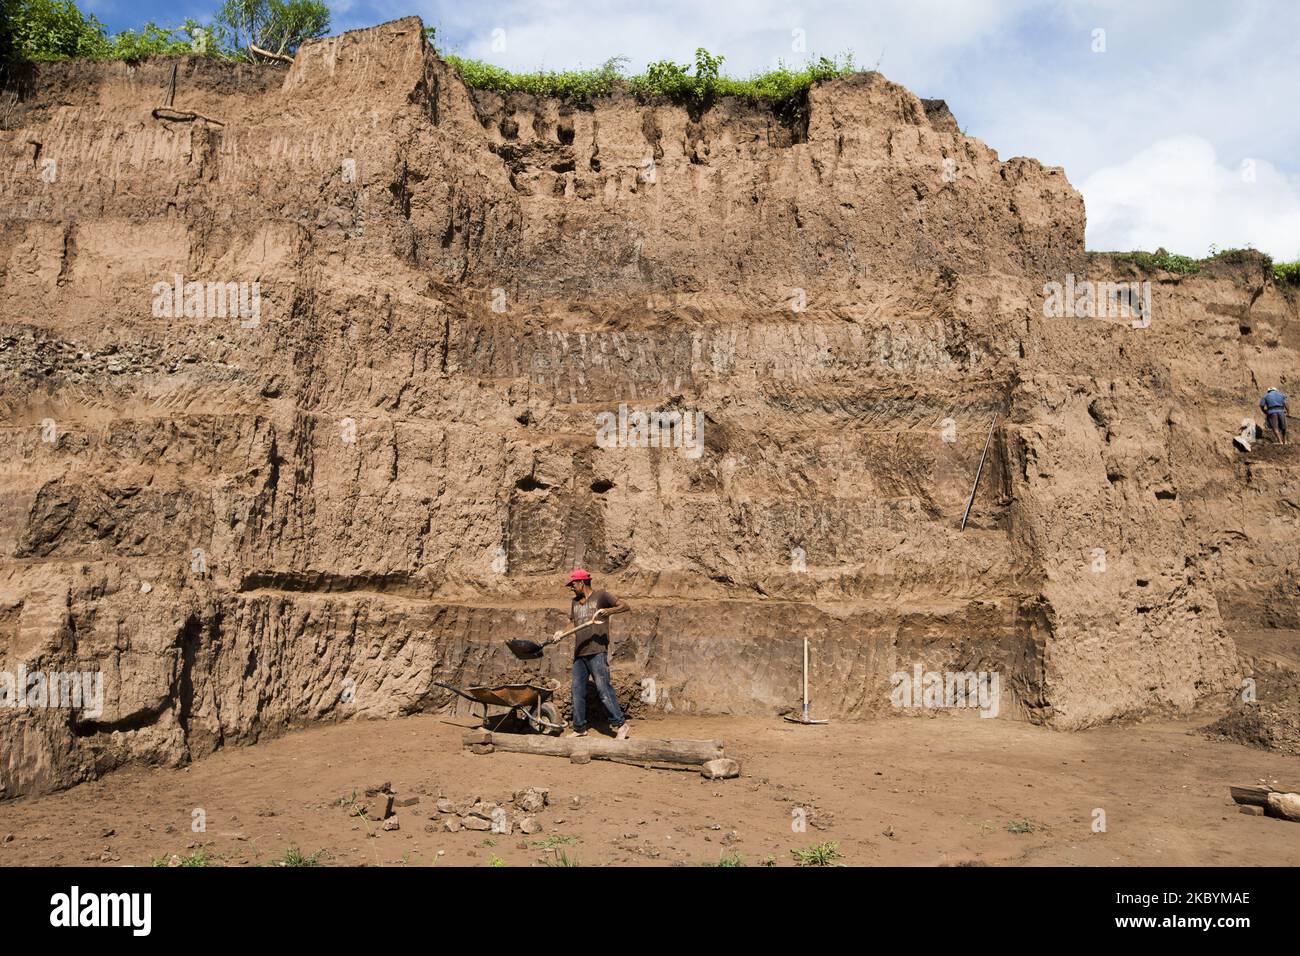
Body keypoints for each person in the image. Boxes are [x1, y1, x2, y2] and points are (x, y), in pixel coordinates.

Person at [556, 569, 631, 739]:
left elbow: (625, 606)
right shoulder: (575, 602)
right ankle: (580, 727)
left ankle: (621, 724)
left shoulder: (601, 596)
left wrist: (609, 611)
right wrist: (561, 632)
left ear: (582, 583)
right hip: (580, 653)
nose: (572, 588)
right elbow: (572, 622)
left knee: (603, 688)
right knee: (577, 691)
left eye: (573, 584)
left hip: (597, 651)